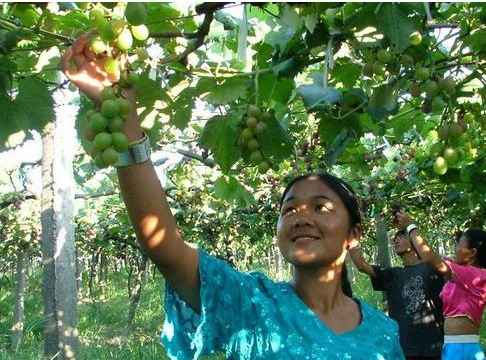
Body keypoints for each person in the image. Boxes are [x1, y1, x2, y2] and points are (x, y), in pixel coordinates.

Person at [61, 33, 405, 359]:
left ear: (353, 235)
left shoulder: (384, 333)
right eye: (290, 210)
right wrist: (126, 125)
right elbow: (163, 246)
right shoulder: (250, 303)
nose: (302, 216)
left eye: (321, 207)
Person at [395, 209, 486, 360]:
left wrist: (411, 226)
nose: (455, 249)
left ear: (472, 253)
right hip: (451, 346)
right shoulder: (461, 274)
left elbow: (430, 257)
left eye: (458, 245)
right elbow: (428, 255)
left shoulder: (476, 275)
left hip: (462, 348)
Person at [348, 229, 445, 360]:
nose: (396, 241)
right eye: (395, 239)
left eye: (401, 237)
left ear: (414, 242)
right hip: (403, 348)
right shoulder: (393, 274)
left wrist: (410, 226)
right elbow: (362, 265)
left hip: (433, 347)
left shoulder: (433, 269)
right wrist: (350, 239)